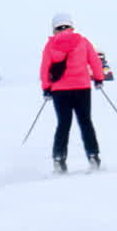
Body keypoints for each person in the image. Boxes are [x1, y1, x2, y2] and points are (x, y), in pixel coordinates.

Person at [40, 11, 104, 173]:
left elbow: (44, 68)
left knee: (63, 124)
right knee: (85, 122)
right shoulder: (82, 41)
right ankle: (93, 156)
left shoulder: (50, 45)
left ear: (54, 28)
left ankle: (59, 159)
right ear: (71, 26)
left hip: (60, 91)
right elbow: (95, 61)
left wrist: (46, 88)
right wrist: (98, 78)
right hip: (82, 87)